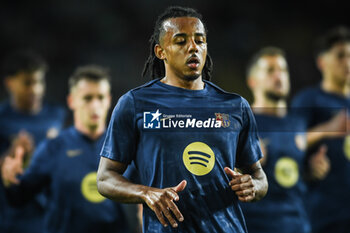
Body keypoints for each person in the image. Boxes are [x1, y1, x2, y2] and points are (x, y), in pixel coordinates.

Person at [96, 6, 268, 233]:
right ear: (161, 51)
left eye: (200, 40)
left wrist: (252, 185)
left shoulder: (235, 106)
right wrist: (146, 193)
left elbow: (260, 178)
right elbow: (105, 178)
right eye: (180, 41)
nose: (193, 47)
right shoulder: (135, 104)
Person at [1, 65, 131, 233]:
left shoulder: (126, 147)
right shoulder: (52, 148)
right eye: (87, 98)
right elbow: (19, 198)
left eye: (100, 97)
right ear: (72, 101)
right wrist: (9, 182)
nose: (95, 105)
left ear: (109, 100)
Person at [240, 47, 330, 233]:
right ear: (253, 81)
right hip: (254, 226)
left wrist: (313, 172)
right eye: (270, 70)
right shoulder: (240, 122)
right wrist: (243, 164)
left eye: (283, 70)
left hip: (296, 224)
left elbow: (294, 175)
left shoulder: (297, 123)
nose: (279, 76)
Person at [291, 26, 350, 233]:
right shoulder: (309, 99)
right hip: (323, 214)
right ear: (322, 62)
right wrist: (327, 129)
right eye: (340, 55)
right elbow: (289, 142)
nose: (347, 62)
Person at [0, 50, 66, 233]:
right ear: (10, 83)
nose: (35, 89)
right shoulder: (2, 119)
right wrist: (11, 155)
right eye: (27, 83)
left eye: (39, 82)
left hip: (51, 217)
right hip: (15, 219)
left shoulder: (56, 115)